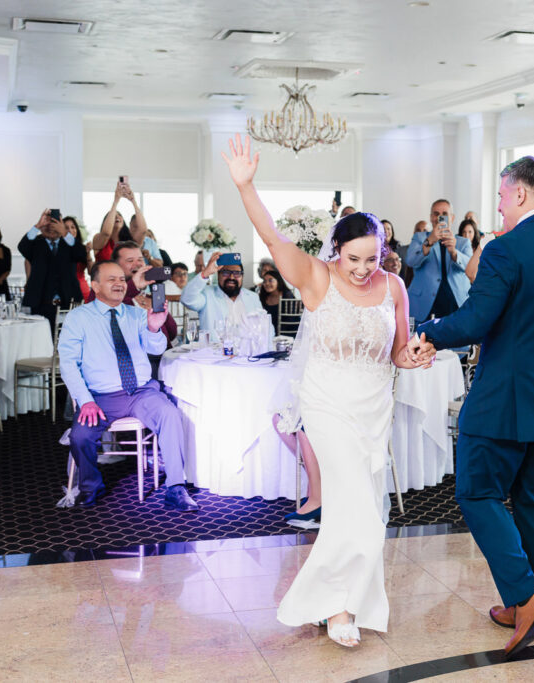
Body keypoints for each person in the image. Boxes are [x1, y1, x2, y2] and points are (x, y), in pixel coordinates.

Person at [221, 134, 433, 648]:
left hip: (372, 408)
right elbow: (273, 239)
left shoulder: (395, 287)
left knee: (353, 508)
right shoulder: (317, 278)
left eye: (372, 258)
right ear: (336, 251)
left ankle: (328, 602)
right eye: (354, 258)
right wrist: (247, 186)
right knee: (361, 510)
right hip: (328, 404)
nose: (363, 270)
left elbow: (398, 352)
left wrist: (416, 355)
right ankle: (339, 610)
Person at [411, 155, 534, 658]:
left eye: (501, 197)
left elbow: (475, 320)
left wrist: (424, 332)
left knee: (476, 491)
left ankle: (525, 597)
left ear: (520, 193)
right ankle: (531, 606)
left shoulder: (507, 248)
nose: (497, 208)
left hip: (506, 398)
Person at [58, 260, 198, 512]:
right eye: (112, 279)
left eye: (122, 279)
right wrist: (85, 399)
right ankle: (91, 485)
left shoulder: (135, 314)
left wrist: (154, 327)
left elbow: (156, 349)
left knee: (169, 414)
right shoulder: (78, 318)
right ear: (95, 285)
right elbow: (68, 364)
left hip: (141, 392)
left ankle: (176, 488)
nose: (120, 284)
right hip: (100, 397)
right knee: (80, 436)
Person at [85, 241, 178, 343]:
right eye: (130, 260)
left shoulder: (149, 297)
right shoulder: (103, 291)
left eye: (140, 259)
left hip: (162, 356)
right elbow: (96, 312)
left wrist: (160, 310)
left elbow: (172, 333)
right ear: (116, 267)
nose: (137, 264)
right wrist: (133, 285)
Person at [18, 208, 88, 333]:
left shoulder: (69, 243)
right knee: (41, 339)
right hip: (40, 302)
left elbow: (81, 254)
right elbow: (22, 247)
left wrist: (65, 233)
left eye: (55, 223)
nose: (51, 227)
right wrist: (38, 226)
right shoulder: (36, 243)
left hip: (67, 301)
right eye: (48, 223)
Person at [405, 199, 473, 321]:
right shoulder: (419, 238)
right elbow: (410, 261)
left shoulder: (463, 242)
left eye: (444, 214)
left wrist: (454, 252)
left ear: (452, 218)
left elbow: (471, 269)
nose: (440, 217)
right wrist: (429, 241)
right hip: (425, 304)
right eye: (436, 214)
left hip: (456, 302)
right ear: (431, 218)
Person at [180, 252, 269, 340]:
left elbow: (265, 327)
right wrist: (205, 273)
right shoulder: (207, 294)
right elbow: (187, 299)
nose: (231, 277)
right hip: (215, 352)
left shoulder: (252, 297)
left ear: (242, 276)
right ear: (218, 275)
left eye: (237, 273)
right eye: (226, 273)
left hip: (247, 352)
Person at [93, 181, 146, 263]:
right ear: (106, 222)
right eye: (113, 215)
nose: (116, 217)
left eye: (119, 215)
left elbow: (142, 230)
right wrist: (116, 200)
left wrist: (133, 201)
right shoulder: (98, 239)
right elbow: (106, 232)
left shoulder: (130, 241)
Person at [259, 270, 296, 335]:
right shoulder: (263, 297)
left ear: (278, 281)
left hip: (287, 334)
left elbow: (291, 320)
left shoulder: (287, 295)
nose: (267, 283)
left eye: (270, 280)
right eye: (264, 281)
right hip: (269, 334)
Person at [63, 216, 92, 300]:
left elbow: (91, 272)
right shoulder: (57, 250)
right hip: (65, 292)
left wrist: (88, 253)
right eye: (66, 228)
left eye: (73, 227)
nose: (70, 230)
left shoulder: (82, 248)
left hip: (83, 291)